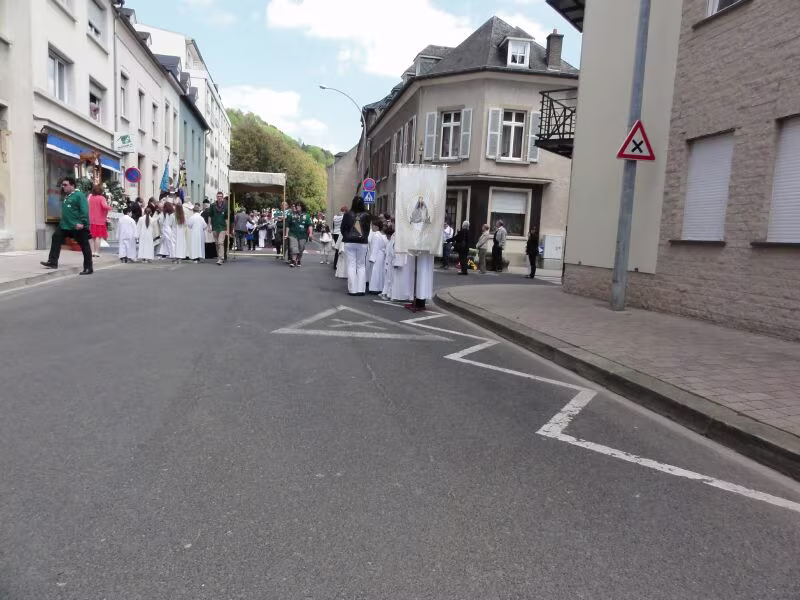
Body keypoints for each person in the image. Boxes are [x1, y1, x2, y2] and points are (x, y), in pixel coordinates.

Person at [40, 177, 93, 275]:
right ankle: (52, 262)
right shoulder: (67, 196)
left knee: (84, 245)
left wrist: (83, 223)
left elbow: (84, 210)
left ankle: (88, 267)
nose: (63, 187)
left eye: (65, 185)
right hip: (65, 225)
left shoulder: (79, 195)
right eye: (62, 185)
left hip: (77, 225)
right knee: (56, 237)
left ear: (72, 185)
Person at [340, 195, 371, 295]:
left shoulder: (347, 214)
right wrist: (364, 237)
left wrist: (346, 236)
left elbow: (342, 228)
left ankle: (352, 289)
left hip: (349, 241)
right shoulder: (366, 215)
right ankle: (361, 289)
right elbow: (367, 229)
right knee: (361, 265)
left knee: (351, 265)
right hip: (362, 242)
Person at [286, 201, 313, 267]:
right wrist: (287, 234)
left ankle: (298, 259)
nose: (297, 207)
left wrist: (310, 233)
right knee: (293, 247)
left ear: (302, 207)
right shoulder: (291, 215)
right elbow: (288, 226)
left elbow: (310, 225)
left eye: (299, 205)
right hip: (293, 234)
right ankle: (293, 260)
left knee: (301, 248)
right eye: (296, 205)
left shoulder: (307, 216)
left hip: (303, 235)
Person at [88, 184, 111, 258]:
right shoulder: (101, 198)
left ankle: (91, 252)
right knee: (98, 236)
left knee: (92, 237)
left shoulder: (90, 197)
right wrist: (110, 207)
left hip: (91, 220)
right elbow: (104, 206)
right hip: (99, 220)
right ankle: (96, 252)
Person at [368, 219, 387, 294]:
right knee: (380, 272)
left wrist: (372, 258)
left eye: (373, 225)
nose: (372, 227)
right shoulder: (382, 235)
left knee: (375, 272)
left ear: (377, 227)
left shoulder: (376, 235)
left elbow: (375, 247)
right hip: (381, 255)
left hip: (377, 255)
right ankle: (379, 287)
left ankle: (374, 288)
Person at [209, 192, 227, 265]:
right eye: (218, 196)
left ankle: (221, 258)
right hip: (215, 226)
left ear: (222, 197)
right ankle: (219, 257)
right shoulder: (212, 205)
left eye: (220, 196)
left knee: (220, 242)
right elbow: (210, 216)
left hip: (222, 227)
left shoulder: (225, 206)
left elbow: (226, 218)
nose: (219, 197)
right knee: (217, 243)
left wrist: (227, 229)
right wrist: (209, 225)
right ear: (216, 197)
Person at [380, 223, 395, 301]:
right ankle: (385, 292)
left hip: (389, 262)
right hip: (387, 262)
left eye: (387, 236)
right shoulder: (389, 242)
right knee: (387, 279)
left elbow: (390, 253)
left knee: (389, 279)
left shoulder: (391, 242)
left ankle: (387, 293)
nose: (386, 237)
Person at [332, 205, 346, 270]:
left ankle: (335, 264)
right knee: (340, 250)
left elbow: (333, 225)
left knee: (337, 250)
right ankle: (337, 265)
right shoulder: (344, 217)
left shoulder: (335, 216)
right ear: (344, 211)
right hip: (340, 234)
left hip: (335, 233)